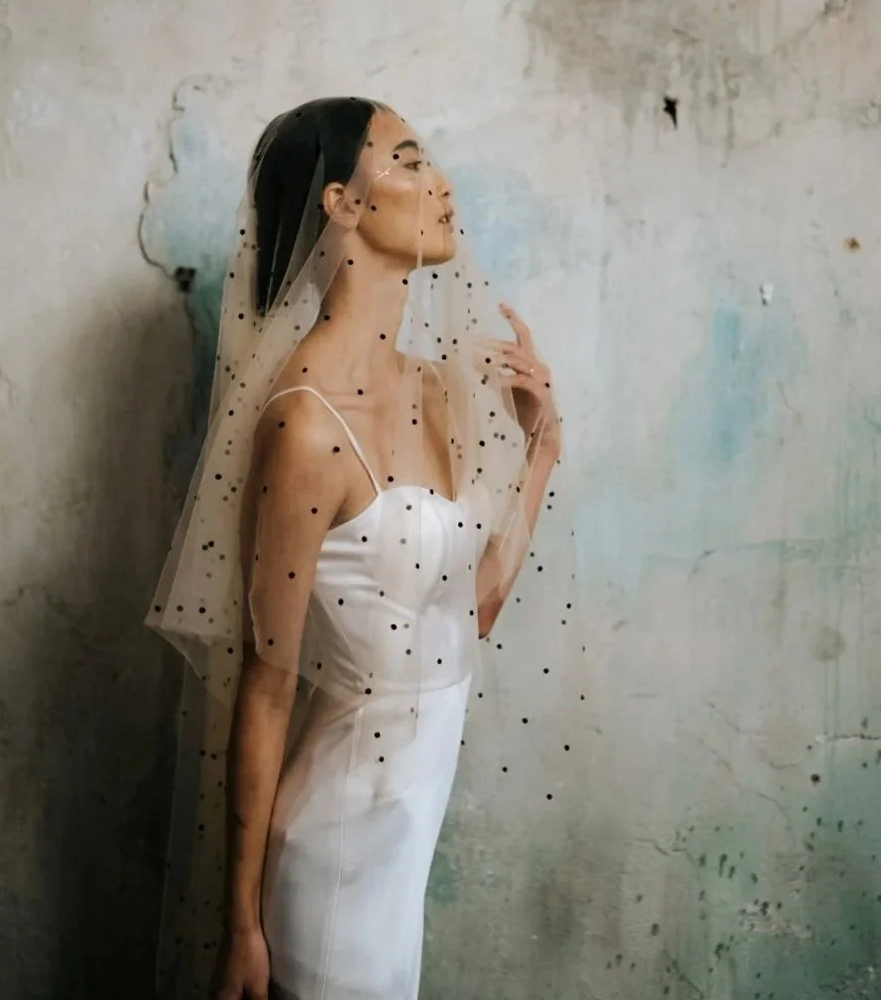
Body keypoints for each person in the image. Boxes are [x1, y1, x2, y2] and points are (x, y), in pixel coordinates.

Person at [146, 96, 571, 1000]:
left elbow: (470, 618)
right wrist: (242, 930)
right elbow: (265, 688)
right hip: (333, 853)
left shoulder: (436, 388)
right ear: (340, 201)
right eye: (410, 160)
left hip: (403, 842)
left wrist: (542, 452)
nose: (442, 183)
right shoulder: (303, 428)